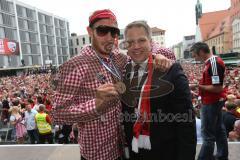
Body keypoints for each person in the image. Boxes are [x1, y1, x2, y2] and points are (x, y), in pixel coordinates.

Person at [52, 9, 174, 160]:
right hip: (97, 154)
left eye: (114, 32)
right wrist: (95, 104)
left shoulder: (118, 58)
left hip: (122, 146)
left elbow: (145, 47)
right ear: (90, 31)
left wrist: (157, 54)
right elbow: (58, 114)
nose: (109, 38)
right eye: (102, 31)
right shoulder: (73, 66)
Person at [121, 20, 196, 160]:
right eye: (130, 42)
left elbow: (186, 123)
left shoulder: (171, 70)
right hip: (135, 152)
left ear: (150, 42)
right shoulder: (123, 72)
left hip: (167, 153)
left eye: (141, 40)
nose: (136, 46)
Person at [190, 42, 228, 160]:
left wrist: (198, 85)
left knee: (207, 135)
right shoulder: (211, 63)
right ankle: (222, 156)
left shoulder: (214, 63)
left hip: (212, 101)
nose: (194, 58)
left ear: (201, 52)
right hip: (212, 101)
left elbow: (217, 88)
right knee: (219, 130)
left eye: (194, 55)